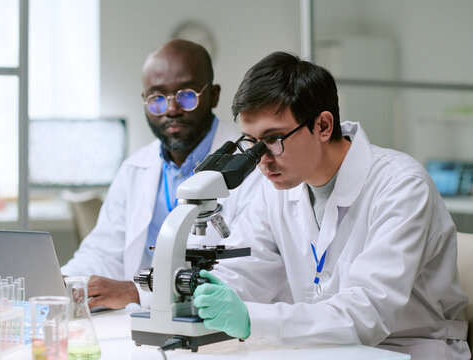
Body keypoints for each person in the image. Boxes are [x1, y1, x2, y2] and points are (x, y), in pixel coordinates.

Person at [192, 52, 470, 360]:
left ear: (323, 126)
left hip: (409, 349)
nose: (262, 159)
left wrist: (251, 319)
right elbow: (244, 271)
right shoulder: (278, 189)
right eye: (251, 142)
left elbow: (367, 314)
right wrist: (209, 288)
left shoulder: (402, 186)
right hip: (323, 350)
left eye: (272, 139)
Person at [61, 39, 261, 310]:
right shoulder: (135, 168)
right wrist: (69, 281)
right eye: (157, 98)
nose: (171, 110)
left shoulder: (251, 165)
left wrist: (137, 292)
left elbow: (248, 270)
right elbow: (103, 250)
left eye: (186, 95)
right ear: (145, 101)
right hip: (138, 322)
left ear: (213, 95)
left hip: (215, 324)